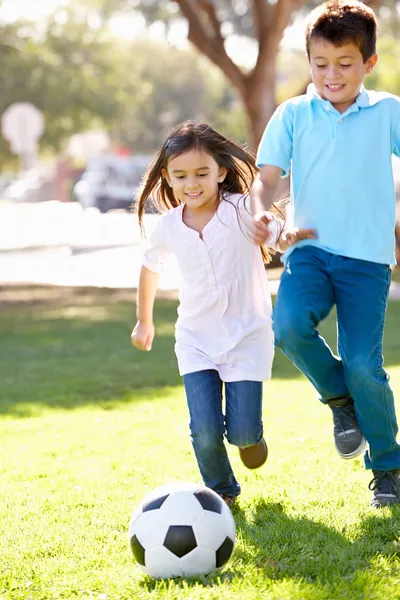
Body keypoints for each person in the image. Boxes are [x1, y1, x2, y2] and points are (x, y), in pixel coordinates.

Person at [252, 0, 400, 508]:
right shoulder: (293, 114)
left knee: (364, 363)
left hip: (368, 260)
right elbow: (266, 178)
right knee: (289, 327)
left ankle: (387, 468)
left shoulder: (388, 112)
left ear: (368, 63)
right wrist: (263, 214)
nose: (331, 75)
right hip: (309, 250)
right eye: (320, 64)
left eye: (345, 64)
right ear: (309, 62)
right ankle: (341, 402)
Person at [131, 121, 315, 506]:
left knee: (243, 433)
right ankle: (223, 492)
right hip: (196, 340)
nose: (191, 183)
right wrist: (144, 320)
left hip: (247, 336)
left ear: (222, 172)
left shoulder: (241, 208)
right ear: (167, 177)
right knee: (204, 430)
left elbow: (274, 223)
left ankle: (251, 438)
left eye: (202, 173)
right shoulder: (167, 226)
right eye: (180, 175)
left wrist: (278, 233)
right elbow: (151, 268)